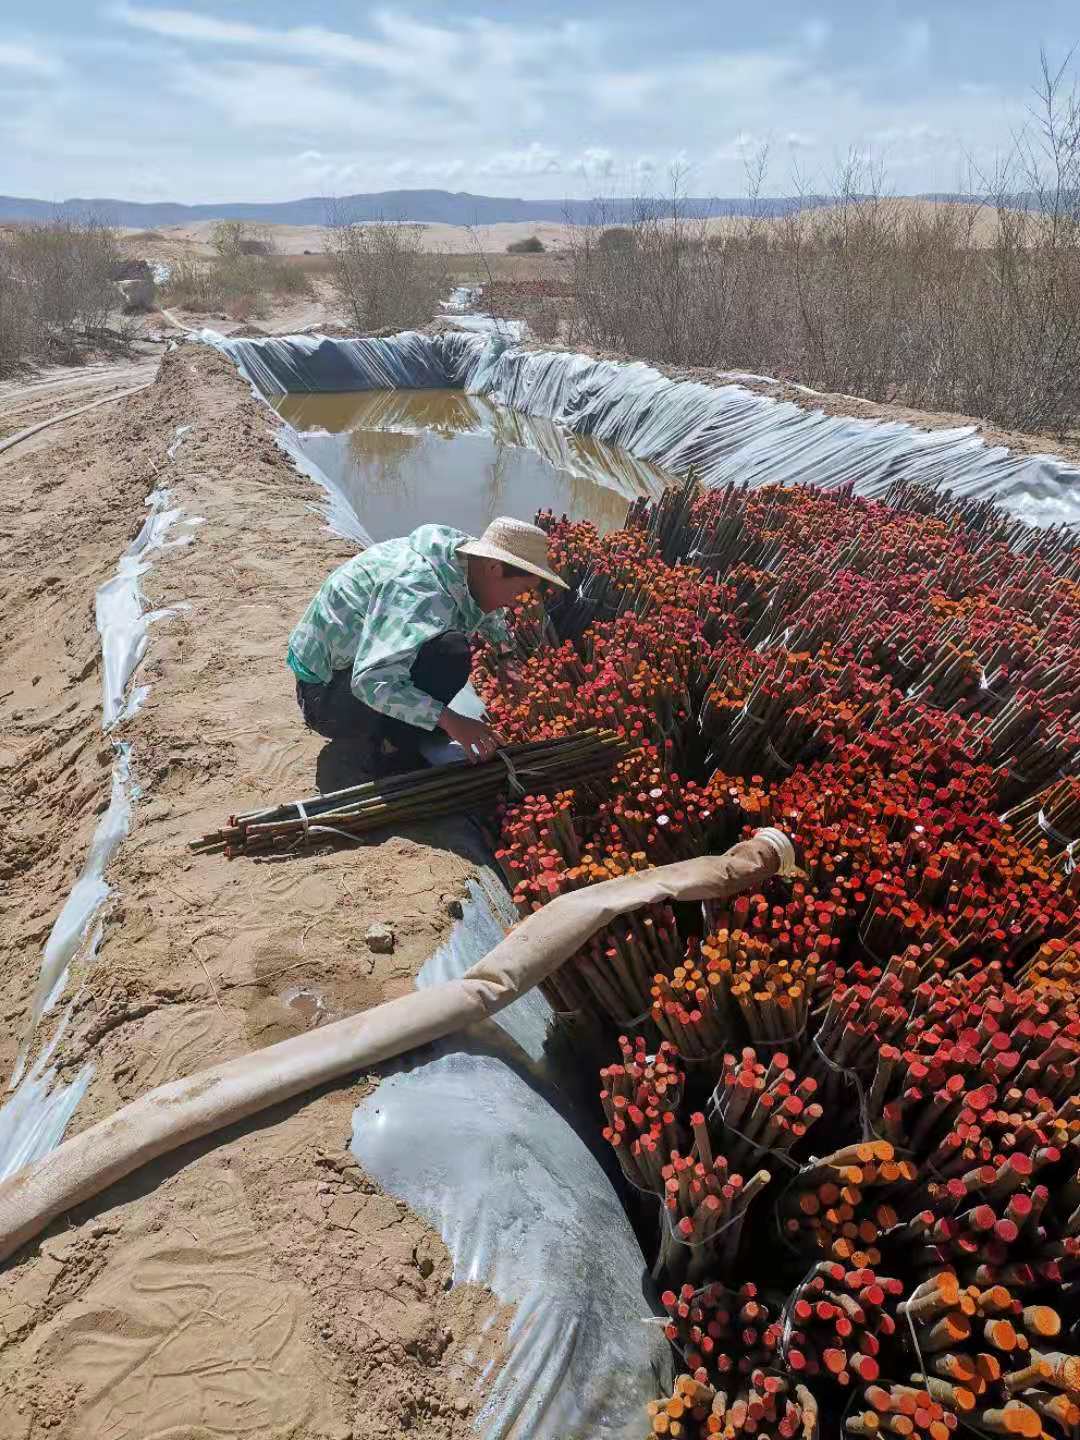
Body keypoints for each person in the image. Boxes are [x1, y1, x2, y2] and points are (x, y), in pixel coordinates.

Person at [288, 516, 568, 773]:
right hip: (324, 699)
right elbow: (370, 682)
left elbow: (487, 610)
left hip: (347, 671)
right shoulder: (419, 591)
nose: (515, 603)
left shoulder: (464, 565)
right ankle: (390, 745)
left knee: (447, 651)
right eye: (520, 591)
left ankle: (408, 726)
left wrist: (505, 657)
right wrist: (451, 721)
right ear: (494, 567)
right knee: (450, 654)